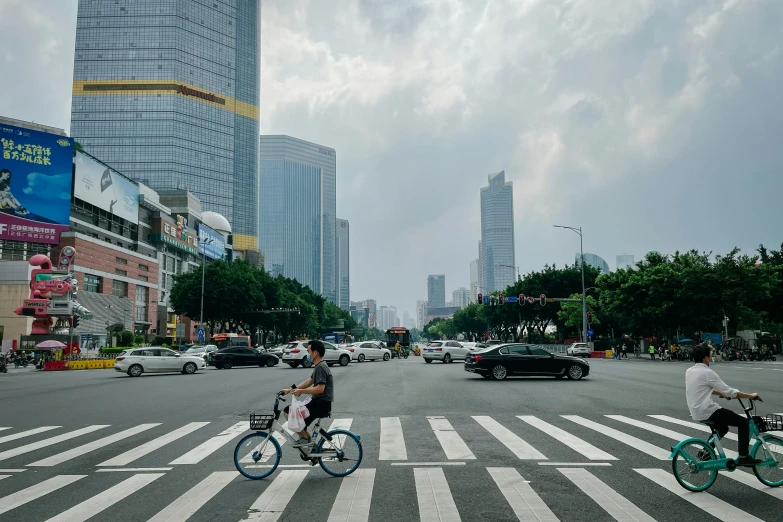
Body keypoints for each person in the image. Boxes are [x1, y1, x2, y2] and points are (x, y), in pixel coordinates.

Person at [685, 344, 761, 466]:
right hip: (707, 410)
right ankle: (743, 456)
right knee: (743, 422)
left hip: (696, 411)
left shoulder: (690, 371)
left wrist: (720, 393)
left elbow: (701, 388)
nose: (711, 358)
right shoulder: (707, 373)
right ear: (705, 358)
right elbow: (730, 392)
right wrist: (750, 395)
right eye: (710, 356)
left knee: (723, 428)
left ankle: (705, 452)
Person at [280, 340, 334, 447]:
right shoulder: (319, 366)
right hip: (319, 402)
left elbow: (320, 389)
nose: (307, 354)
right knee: (299, 420)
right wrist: (290, 390)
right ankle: (311, 446)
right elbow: (308, 382)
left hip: (321, 404)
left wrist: (301, 391)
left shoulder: (321, 367)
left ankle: (306, 439)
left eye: (308, 351)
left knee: (288, 412)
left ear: (315, 353)